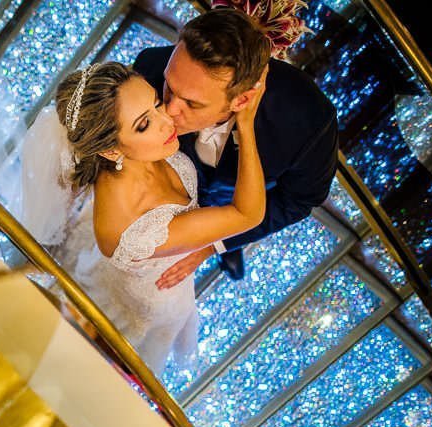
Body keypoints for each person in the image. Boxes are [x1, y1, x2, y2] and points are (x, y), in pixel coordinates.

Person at [20, 60, 266, 373]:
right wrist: (246, 124)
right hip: (142, 309)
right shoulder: (133, 229)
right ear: (110, 151)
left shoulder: (140, 149)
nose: (167, 120)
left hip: (164, 282)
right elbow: (247, 214)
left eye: (157, 103)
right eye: (143, 124)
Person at [132, 3, 338, 287]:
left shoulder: (309, 125)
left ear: (242, 100)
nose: (169, 109)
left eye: (191, 103)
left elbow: (298, 201)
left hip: (234, 197)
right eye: (169, 87)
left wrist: (214, 243)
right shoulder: (150, 67)